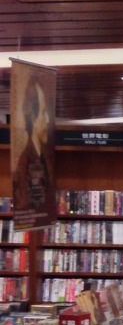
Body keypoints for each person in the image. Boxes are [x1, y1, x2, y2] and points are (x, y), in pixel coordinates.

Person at [12, 76, 53, 219]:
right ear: (33, 120)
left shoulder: (44, 155)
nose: (48, 119)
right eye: (44, 112)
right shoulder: (25, 163)